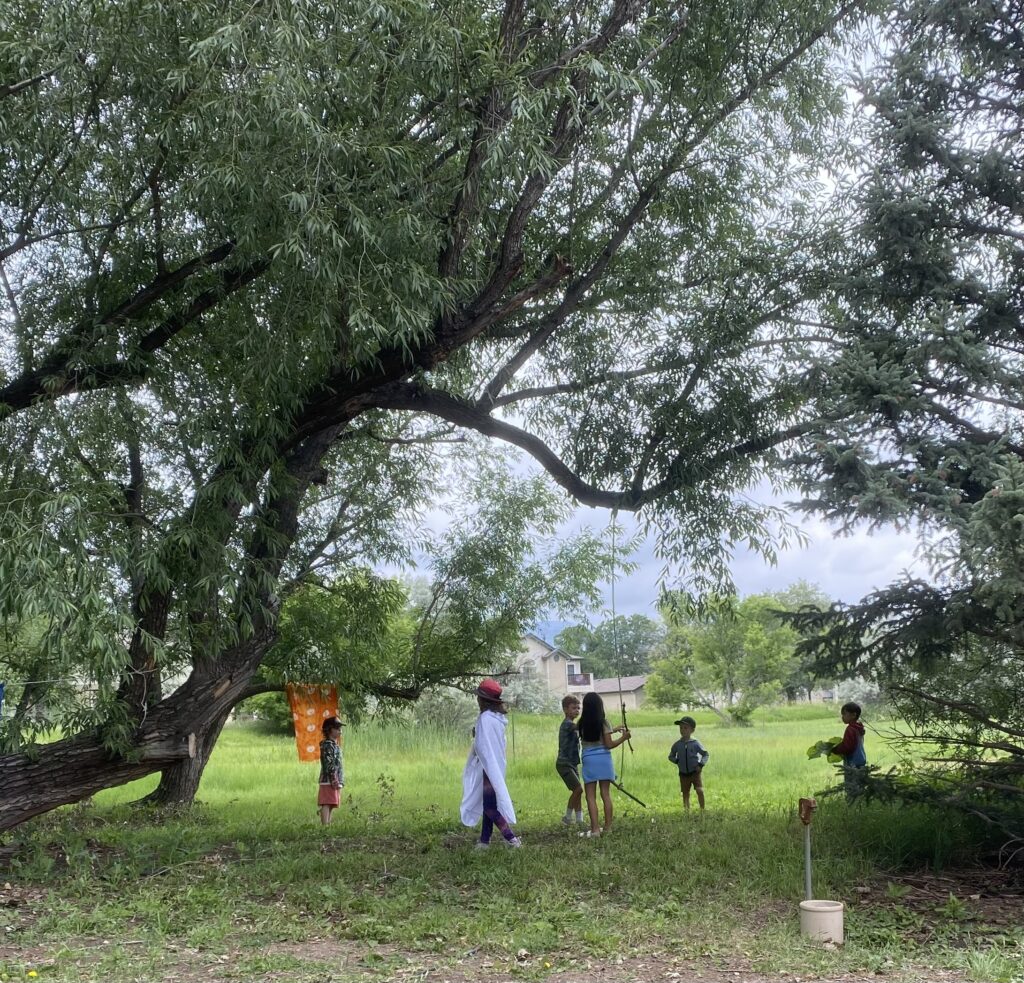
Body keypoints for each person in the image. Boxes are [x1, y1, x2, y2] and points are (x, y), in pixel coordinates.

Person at [460, 678, 521, 848]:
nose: (477, 699)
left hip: (489, 767)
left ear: (483, 700)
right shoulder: (497, 718)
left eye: (479, 697)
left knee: (489, 807)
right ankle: (484, 841)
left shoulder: (485, 718)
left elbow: (482, 745)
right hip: (495, 765)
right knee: (489, 803)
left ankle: (511, 838)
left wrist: (476, 737)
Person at [577, 691, 630, 838]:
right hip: (604, 761)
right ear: (600, 707)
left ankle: (594, 829)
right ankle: (607, 828)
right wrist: (623, 738)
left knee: (590, 797)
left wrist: (613, 730)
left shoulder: (581, 724)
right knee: (605, 794)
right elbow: (608, 744)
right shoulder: (603, 723)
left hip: (588, 760)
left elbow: (594, 736)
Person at [668, 715, 709, 812]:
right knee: (685, 793)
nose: (682, 730)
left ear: (692, 730)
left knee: (700, 790)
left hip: (695, 772)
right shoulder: (677, 744)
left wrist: (700, 765)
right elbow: (670, 756)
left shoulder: (695, 743)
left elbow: (705, 754)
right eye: (681, 728)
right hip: (683, 774)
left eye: (685, 728)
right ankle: (687, 811)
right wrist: (677, 761)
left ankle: (702, 810)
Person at [555, 694, 584, 826]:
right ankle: (567, 817)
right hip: (564, 763)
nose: (577, 711)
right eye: (574, 708)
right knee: (578, 789)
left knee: (577, 792)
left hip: (572, 763)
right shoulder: (567, 724)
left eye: (579, 708)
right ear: (566, 710)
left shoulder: (572, 724)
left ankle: (579, 819)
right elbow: (579, 727)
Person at [831, 701, 867, 799]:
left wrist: (835, 749)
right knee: (860, 787)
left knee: (852, 788)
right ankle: (860, 805)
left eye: (844, 714)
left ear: (853, 715)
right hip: (861, 760)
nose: (842, 717)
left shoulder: (850, 729)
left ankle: (852, 807)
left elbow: (848, 747)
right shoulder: (859, 728)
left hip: (852, 763)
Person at [317, 716, 344, 825]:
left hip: (335, 779)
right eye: (337, 728)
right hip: (329, 780)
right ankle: (325, 826)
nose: (340, 731)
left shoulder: (334, 745)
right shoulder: (328, 745)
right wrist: (334, 779)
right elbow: (329, 764)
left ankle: (328, 824)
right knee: (326, 803)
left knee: (332, 803)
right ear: (329, 730)